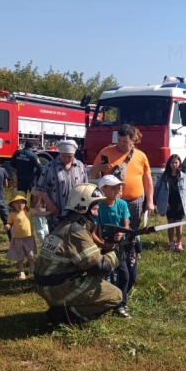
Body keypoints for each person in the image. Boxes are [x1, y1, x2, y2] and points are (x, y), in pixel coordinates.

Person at [33, 183, 126, 326]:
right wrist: (119, 253)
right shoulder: (77, 232)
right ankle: (66, 316)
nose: (97, 213)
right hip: (56, 287)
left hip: (46, 284)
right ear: (83, 207)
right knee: (115, 295)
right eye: (95, 209)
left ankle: (62, 307)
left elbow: (83, 258)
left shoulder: (65, 225)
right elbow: (99, 267)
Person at [88, 124, 155, 232]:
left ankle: (130, 248)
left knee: (131, 232)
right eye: (119, 140)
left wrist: (150, 202)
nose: (120, 144)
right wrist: (98, 168)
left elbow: (148, 181)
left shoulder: (141, 156)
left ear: (133, 141)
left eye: (125, 141)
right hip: (112, 203)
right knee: (111, 231)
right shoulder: (106, 152)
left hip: (134, 202)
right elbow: (92, 175)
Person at [93, 175, 135, 318]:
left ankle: (120, 305)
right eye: (113, 188)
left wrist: (121, 233)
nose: (117, 190)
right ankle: (102, 303)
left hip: (119, 246)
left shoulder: (122, 204)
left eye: (118, 187)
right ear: (103, 189)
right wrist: (103, 244)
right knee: (104, 276)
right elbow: (93, 232)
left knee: (125, 275)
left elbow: (126, 225)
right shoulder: (97, 207)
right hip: (103, 246)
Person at [33, 139, 87, 231]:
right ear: (59, 154)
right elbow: (41, 189)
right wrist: (50, 205)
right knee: (57, 241)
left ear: (74, 155)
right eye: (63, 156)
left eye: (69, 157)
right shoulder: (50, 167)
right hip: (57, 212)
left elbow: (85, 187)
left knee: (74, 240)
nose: (66, 159)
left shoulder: (80, 166)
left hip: (76, 212)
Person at [154, 154, 186, 251]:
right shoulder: (164, 177)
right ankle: (171, 242)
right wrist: (161, 203)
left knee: (178, 225)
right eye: (172, 162)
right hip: (168, 204)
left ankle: (178, 243)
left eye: (176, 162)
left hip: (179, 204)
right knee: (170, 224)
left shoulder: (183, 177)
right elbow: (158, 190)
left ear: (179, 163)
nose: (174, 164)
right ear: (169, 164)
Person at [4, 193, 49, 280]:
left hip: (28, 238)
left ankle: (32, 268)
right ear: (13, 204)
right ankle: (21, 271)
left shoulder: (29, 211)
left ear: (25, 204)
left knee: (31, 255)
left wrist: (50, 212)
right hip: (17, 239)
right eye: (17, 203)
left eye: (22, 203)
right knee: (20, 257)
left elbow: (39, 214)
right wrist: (8, 226)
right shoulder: (12, 214)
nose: (20, 205)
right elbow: (10, 223)